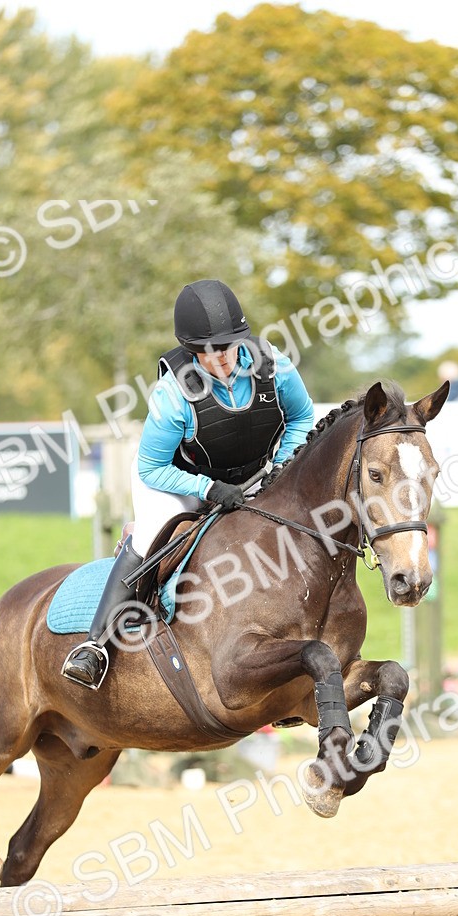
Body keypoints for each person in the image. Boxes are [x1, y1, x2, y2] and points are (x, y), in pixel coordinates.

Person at [62, 279, 316, 689]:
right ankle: (96, 647)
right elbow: (151, 467)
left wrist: (280, 469)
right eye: (206, 352)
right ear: (191, 350)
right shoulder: (172, 394)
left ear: (241, 340)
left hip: (251, 473)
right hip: (174, 479)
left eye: (227, 348)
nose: (219, 359)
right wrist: (208, 491)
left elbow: (303, 418)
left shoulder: (276, 367)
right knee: (150, 539)